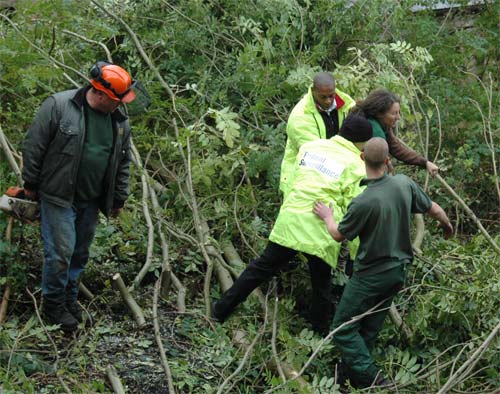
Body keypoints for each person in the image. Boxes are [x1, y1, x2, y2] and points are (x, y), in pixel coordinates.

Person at [313, 137, 453, 388]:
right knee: (368, 328)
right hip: (397, 273)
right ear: (388, 161)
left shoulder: (363, 202)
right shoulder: (404, 184)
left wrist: (327, 216)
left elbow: (337, 234)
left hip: (370, 276)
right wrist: (447, 226)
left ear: (361, 158)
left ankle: (376, 381)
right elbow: (434, 209)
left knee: (342, 329)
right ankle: (351, 380)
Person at [212, 115, 373, 333]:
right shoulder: (357, 165)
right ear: (362, 143)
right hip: (320, 229)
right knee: (321, 286)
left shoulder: (310, 147)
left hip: (291, 219)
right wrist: (355, 256)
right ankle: (318, 336)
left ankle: (219, 311)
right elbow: (356, 210)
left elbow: (291, 177)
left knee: (259, 269)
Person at [22, 61, 136, 331]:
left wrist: (119, 198)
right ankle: (53, 304)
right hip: (58, 194)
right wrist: (30, 183)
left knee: (79, 253)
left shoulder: (119, 122)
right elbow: (34, 145)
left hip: (92, 199)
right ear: (101, 94)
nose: (121, 104)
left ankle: (70, 299)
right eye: (116, 100)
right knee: (60, 253)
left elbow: (122, 162)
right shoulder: (59, 106)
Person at [280, 72, 355, 196]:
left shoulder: (347, 104)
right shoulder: (300, 116)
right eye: (323, 97)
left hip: (336, 172)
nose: (328, 101)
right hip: (303, 179)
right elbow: (314, 156)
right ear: (313, 91)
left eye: (331, 96)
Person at [351, 89, 440, 176]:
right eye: (394, 113)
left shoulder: (382, 123)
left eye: (398, 112)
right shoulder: (374, 132)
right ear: (379, 113)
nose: (398, 117)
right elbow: (377, 167)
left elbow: (396, 148)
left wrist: (425, 162)